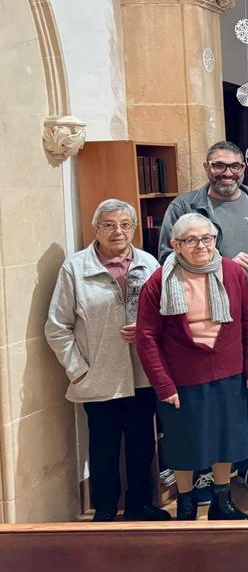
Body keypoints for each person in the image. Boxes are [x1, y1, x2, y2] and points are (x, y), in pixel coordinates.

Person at [159, 140, 248, 497]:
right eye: (219, 166)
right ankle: (205, 470)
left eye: (235, 166)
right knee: (206, 397)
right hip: (204, 315)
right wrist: (222, 263)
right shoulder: (184, 207)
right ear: (206, 167)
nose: (228, 173)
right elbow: (166, 256)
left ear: (244, 168)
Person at [45, 200, 170, 522]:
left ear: (134, 228)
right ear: (96, 228)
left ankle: (140, 505)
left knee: (142, 445)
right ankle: (104, 509)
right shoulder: (75, 268)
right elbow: (57, 326)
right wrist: (77, 370)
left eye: (125, 225)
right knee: (103, 446)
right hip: (98, 375)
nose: (118, 231)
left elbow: (166, 314)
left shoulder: (148, 263)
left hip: (143, 375)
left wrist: (146, 330)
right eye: (109, 225)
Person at [135, 213, 248, 520]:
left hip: (229, 369)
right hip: (182, 376)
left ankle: (222, 501)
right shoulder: (159, 281)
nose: (201, 245)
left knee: (226, 438)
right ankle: (186, 503)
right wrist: (163, 384)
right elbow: (146, 337)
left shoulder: (232, 272)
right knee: (183, 441)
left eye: (207, 238)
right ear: (175, 244)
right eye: (191, 240)